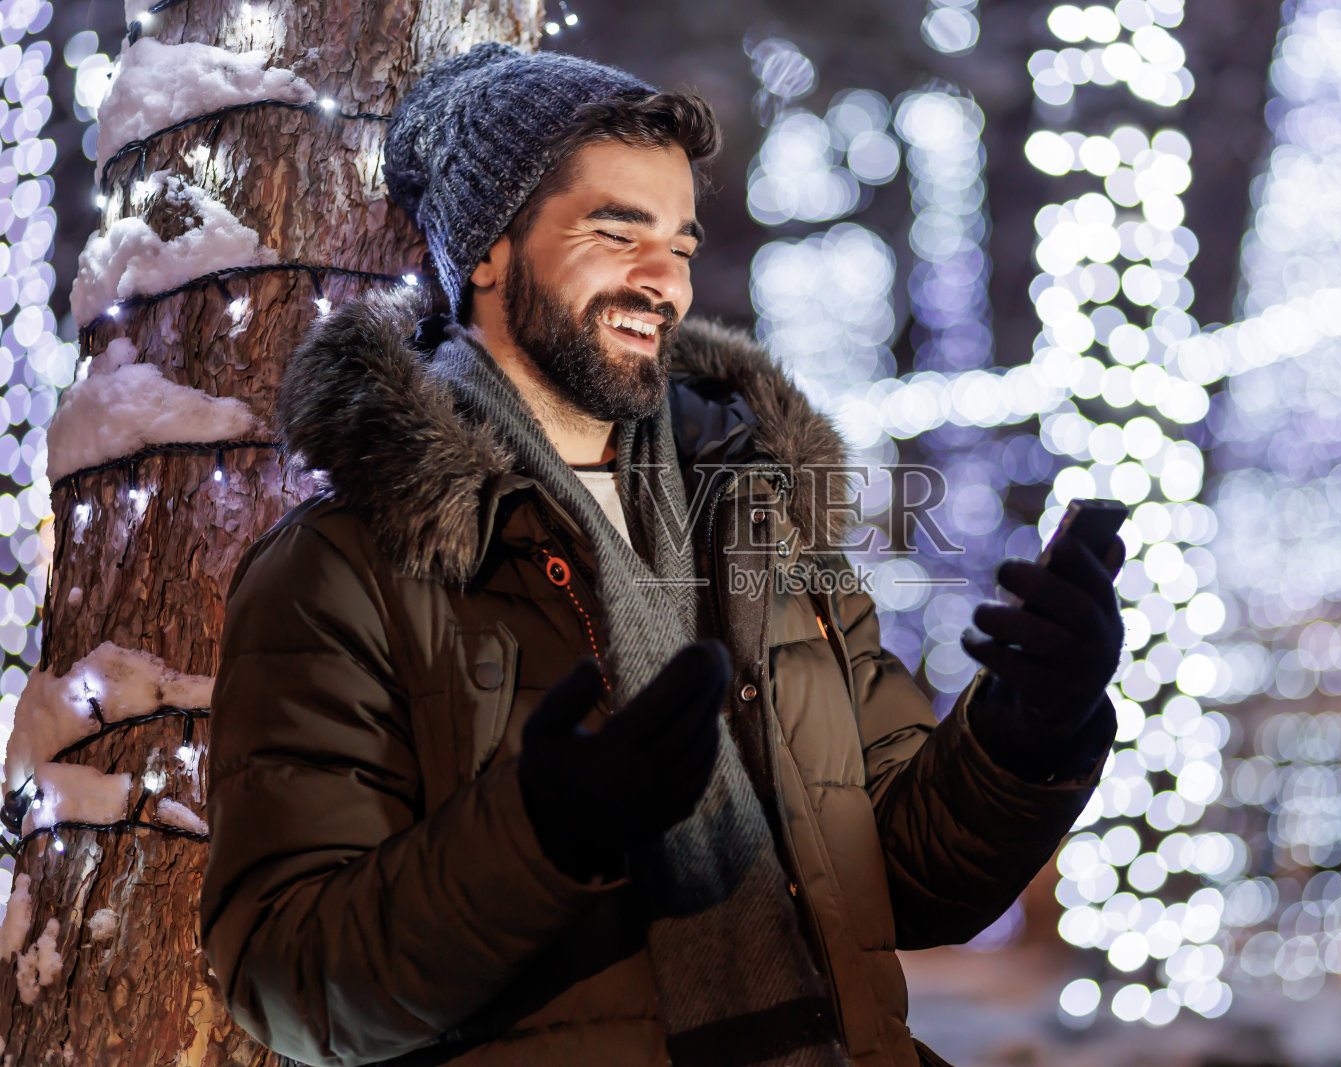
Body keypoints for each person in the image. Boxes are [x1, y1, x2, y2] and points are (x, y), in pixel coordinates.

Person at [200, 44, 1125, 1067]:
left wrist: (1031, 724)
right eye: (617, 232)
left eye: (680, 245)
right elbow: (285, 981)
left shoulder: (762, 524)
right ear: (488, 252)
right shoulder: (345, 569)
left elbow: (903, 877)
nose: (664, 282)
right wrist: (543, 833)